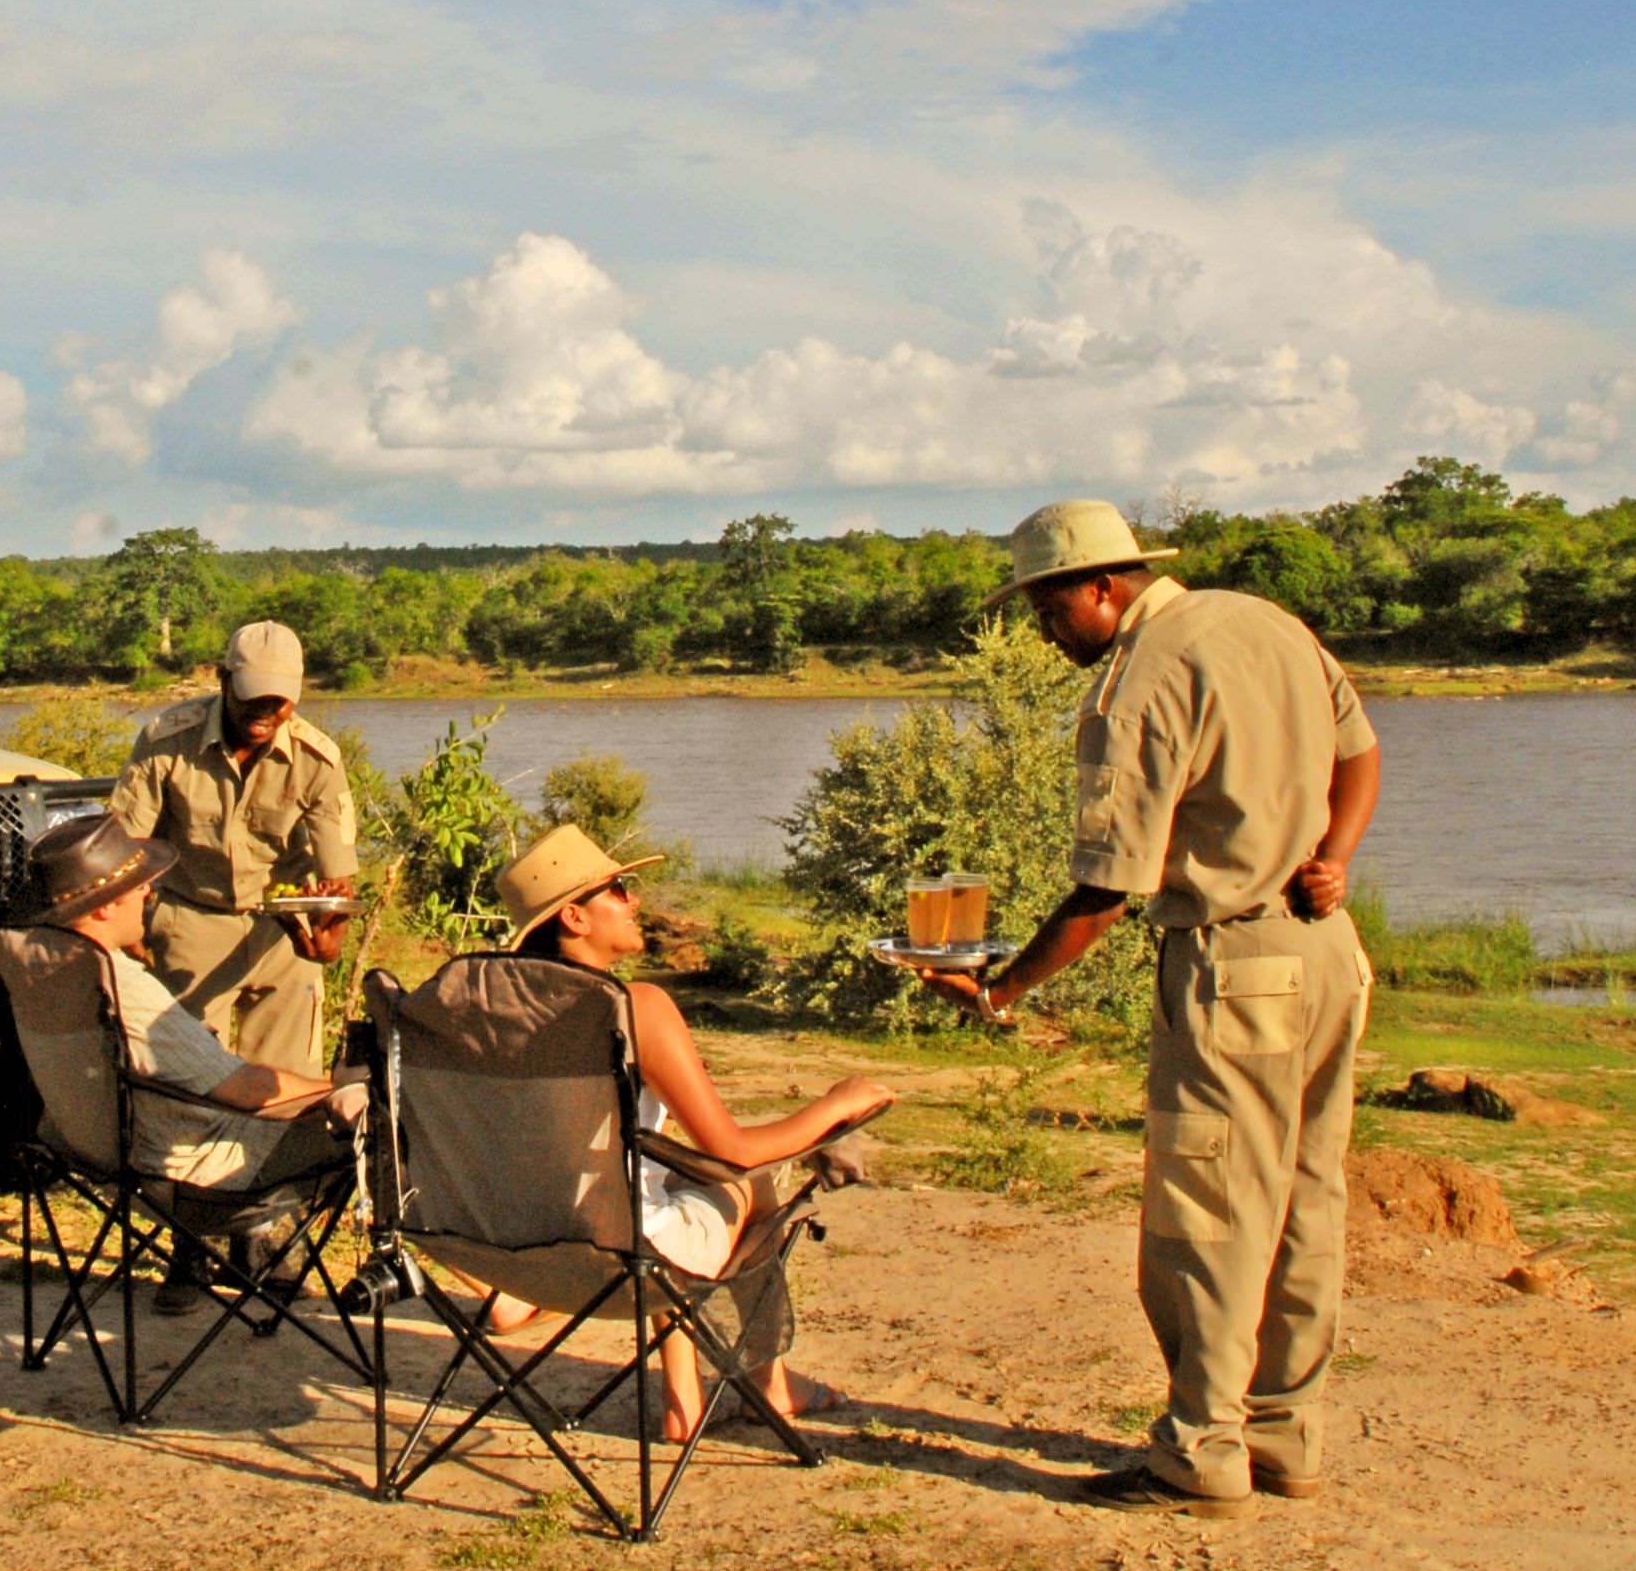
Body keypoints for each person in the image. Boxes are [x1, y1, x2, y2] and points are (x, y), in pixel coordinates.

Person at [917, 497, 1383, 1519]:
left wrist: (1000, 988)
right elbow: (1359, 754)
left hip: (1228, 963)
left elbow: (1106, 887)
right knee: (1307, 1195)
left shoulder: (1134, 686)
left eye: (1047, 611)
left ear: (1099, 586)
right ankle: (1282, 1437)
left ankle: (1201, 1451)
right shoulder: (1267, 623)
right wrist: (1332, 859)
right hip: (1325, 955)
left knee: (1209, 1209)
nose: (1045, 634)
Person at [494, 823, 894, 1445]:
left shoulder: (493, 1012)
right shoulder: (637, 1009)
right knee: (750, 1180)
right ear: (574, 916)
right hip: (621, 1255)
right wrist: (833, 1107)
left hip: (512, 1249)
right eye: (618, 890)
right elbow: (732, 1148)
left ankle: (690, 1396)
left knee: (663, 1184)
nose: (635, 902)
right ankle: (766, 1387)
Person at [28, 811, 349, 1202]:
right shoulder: (124, 988)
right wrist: (341, 1093)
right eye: (135, 886)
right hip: (193, 1175)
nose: (148, 893)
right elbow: (248, 1090)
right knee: (372, 1134)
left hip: (94, 1157)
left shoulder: (47, 973)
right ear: (103, 908)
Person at [108, 619, 358, 1078]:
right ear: (224, 682)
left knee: (288, 1089)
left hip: (284, 935)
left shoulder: (317, 759)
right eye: (250, 697)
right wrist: (132, 935)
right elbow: (126, 850)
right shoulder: (167, 742)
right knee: (189, 1081)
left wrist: (330, 940)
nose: (264, 712)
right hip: (190, 922)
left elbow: (337, 877)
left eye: (278, 702)